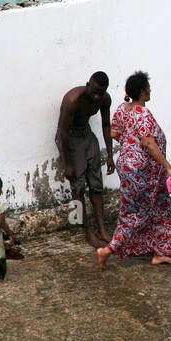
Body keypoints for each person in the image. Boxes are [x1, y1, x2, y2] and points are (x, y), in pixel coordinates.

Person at [97, 72, 171, 269]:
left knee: (160, 207)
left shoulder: (122, 109)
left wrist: (129, 144)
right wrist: (168, 167)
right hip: (141, 170)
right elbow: (149, 143)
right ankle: (109, 249)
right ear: (143, 92)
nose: (150, 91)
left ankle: (161, 252)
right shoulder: (143, 114)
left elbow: (115, 132)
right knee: (137, 213)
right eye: (148, 88)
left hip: (133, 167)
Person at [55, 71, 115, 247]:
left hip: (86, 134)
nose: (97, 97)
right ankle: (87, 231)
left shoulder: (104, 99)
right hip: (70, 137)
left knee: (96, 184)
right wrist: (68, 164)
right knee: (78, 185)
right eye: (94, 91)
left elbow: (106, 125)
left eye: (101, 93)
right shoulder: (73, 100)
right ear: (88, 84)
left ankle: (102, 229)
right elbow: (63, 133)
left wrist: (110, 156)